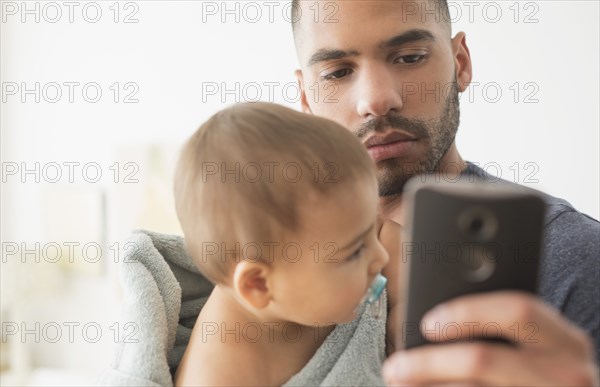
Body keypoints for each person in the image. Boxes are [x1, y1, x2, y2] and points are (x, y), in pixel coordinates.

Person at [290, 0, 599, 385]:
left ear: (460, 63)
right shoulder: (270, 257)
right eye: (337, 73)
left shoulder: (573, 259)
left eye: (408, 57)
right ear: (305, 98)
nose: (376, 99)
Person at [172, 102, 394, 386]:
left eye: (371, 228)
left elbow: (389, 234)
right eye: (356, 252)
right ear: (258, 285)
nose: (381, 256)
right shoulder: (221, 375)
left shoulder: (306, 265)